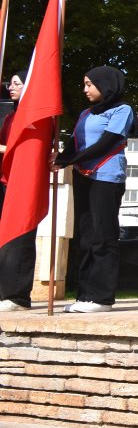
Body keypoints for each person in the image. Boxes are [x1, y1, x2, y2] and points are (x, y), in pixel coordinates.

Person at [54, 66, 138, 313]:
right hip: (83, 177)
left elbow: (107, 143)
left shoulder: (122, 110)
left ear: (106, 84)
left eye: (89, 84)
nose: (85, 90)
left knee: (103, 236)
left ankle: (102, 297)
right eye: (84, 84)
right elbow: (74, 145)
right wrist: (60, 158)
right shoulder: (84, 114)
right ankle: (85, 295)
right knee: (85, 237)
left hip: (106, 178)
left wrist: (68, 160)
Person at [0, 71, 36, 311]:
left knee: (19, 238)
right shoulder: (10, 117)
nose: (11, 87)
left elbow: (28, 149)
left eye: (17, 83)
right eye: (10, 83)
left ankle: (17, 295)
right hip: (4, 181)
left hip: (22, 182)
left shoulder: (35, 117)